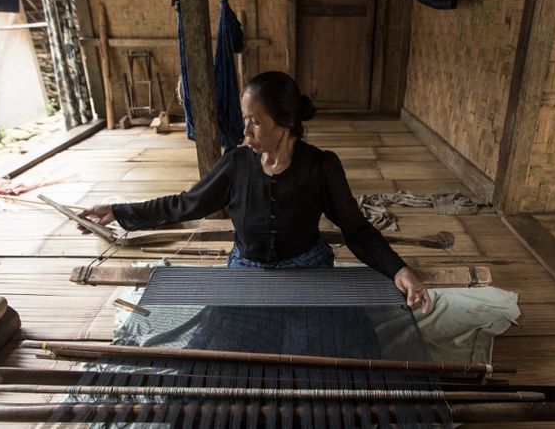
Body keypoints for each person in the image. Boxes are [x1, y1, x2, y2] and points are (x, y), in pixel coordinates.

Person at [79, 71, 431, 313]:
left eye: (256, 121)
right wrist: (118, 211)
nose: (245, 129)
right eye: (245, 118)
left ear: (286, 123)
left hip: (307, 272)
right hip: (246, 273)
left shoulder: (321, 166)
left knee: (323, 354)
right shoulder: (235, 164)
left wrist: (399, 269)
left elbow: (356, 230)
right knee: (226, 353)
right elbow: (186, 204)